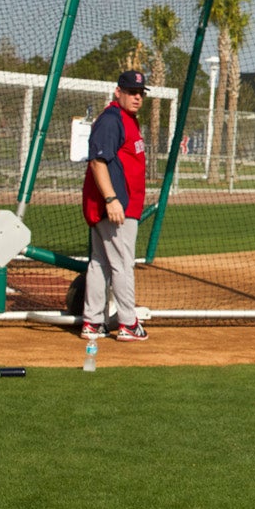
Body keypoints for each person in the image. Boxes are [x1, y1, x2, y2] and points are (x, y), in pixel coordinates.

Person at [80, 69, 149, 341]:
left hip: (118, 205)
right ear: (117, 91)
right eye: (131, 92)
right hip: (116, 206)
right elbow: (97, 161)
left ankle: (93, 322)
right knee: (122, 264)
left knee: (100, 263)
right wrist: (111, 199)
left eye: (140, 93)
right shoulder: (111, 120)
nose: (137, 97)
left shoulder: (127, 119)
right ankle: (128, 324)